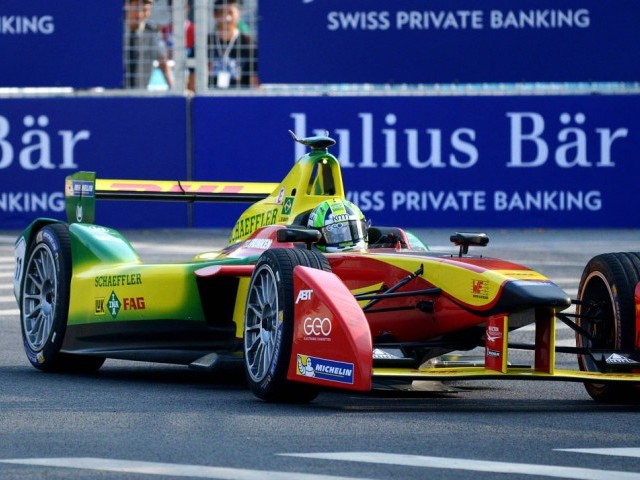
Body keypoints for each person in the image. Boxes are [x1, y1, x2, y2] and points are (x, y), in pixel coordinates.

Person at [208, 0, 258, 89]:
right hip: (208, 98)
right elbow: (193, 82)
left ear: (239, 14)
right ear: (214, 14)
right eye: (222, 12)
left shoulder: (249, 44)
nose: (227, 18)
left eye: (230, 12)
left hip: (240, 99)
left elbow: (255, 83)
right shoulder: (205, 43)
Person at [124, 0, 174, 89]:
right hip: (115, 93)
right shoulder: (115, 31)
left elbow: (163, 61)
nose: (140, 14)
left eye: (145, 9)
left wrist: (174, 89)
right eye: (136, 8)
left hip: (140, 92)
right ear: (127, 5)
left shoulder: (152, 33)